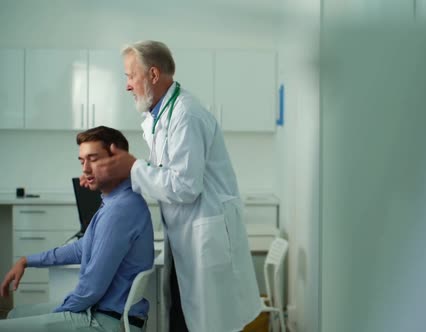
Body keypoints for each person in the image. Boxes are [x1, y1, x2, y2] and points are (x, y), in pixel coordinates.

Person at [83, 40, 261, 332]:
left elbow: (184, 185)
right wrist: (116, 175)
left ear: (152, 74)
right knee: (183, 316)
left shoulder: (186, 115)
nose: (127, 86)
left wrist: (133, 167)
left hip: (203, 237)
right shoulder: (159, 117)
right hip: (185, 236)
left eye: (130, 76)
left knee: (206, 322)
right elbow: (162, 174)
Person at [0, 126, 154, 331]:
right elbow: (82, 248)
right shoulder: (115, 201)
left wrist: (57, 315)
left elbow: (90, 290)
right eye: (82, 161)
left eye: (94, 159)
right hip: (104, 313)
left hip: (107, 321)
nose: (86, 169)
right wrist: (27, 261)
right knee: (14, 315)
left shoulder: (120, 210)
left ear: (117, 159)